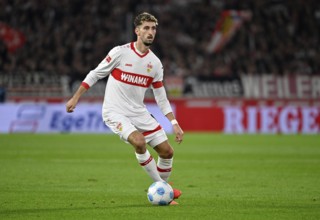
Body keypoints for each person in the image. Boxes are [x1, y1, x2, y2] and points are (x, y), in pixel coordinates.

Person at [66, 12, 184, 205]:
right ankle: (165, 190)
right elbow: (96, 74)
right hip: (115, 111)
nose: (150, 32)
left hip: (139, 112)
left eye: (153, 28)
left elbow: (161, 97)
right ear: (136, 31)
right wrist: (75, 97)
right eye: (146, 28)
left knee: (167, 152)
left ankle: (164, 189)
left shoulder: (155, 63)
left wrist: (174, 122)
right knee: (138, 142)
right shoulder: (120, 53)